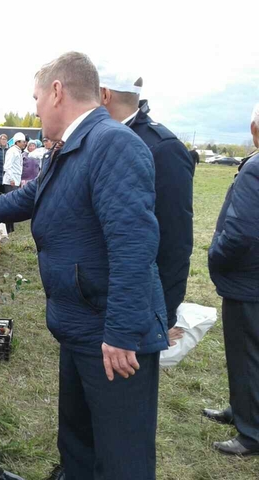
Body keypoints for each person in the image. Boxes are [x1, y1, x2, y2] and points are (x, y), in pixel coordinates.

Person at [0, 52, 167, 480]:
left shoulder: (113, 144)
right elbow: (31, 198)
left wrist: (121, 332)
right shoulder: (69, 148)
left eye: (35, 98)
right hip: (79, 323)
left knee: (122, 457)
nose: (34, 109)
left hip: (111, 336)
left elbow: (133, 245)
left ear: (57, 91)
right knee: (79, 443)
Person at [99, 68, 195, 346]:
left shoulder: (163, 148)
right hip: (100, 296)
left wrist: (163, 314)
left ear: (104, 95)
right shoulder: (98, 138)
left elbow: (175, 239)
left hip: (137, 300)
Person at [204, 102, 259, 456]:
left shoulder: (255, 168)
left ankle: (251, 432)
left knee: (246, 353)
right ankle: (242, 409)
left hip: (248, 281)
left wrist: (216, 256)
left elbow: (240, 234)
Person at [1, 132, 26, 233]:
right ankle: (7, 227)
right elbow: (7, 166)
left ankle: (10, 227)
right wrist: (11, 179)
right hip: (10, 181)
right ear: (17, 142)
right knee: (9, 204)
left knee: (13, 204)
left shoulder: (18, 151)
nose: (25, 143)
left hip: (15, 180)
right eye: (23, 142)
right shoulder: (12, 151)